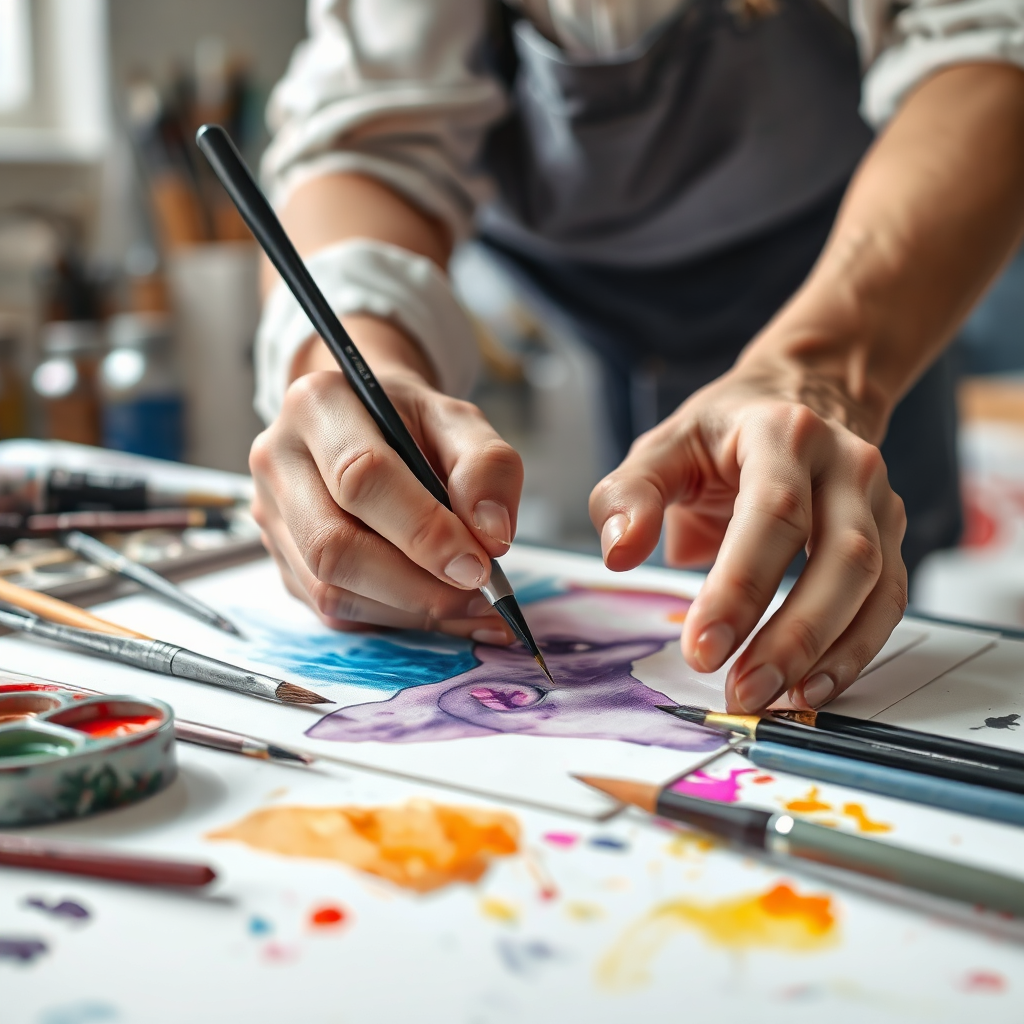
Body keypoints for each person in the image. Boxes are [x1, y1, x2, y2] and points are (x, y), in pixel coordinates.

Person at [249, 0, 1024, 718]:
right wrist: (354, 363)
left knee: (871, 626)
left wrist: (817, 370)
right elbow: (369, 136)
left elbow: (986, 39)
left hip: (873, 269)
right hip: (577, 323)